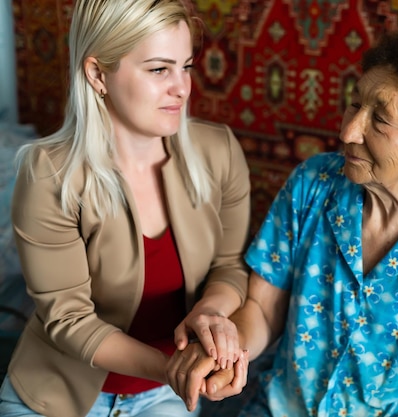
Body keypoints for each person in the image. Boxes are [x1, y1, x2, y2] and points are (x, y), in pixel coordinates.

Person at [170, 29, 398, 416]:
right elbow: (261, 310)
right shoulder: (313, 183)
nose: (347, 132)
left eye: (380, 120)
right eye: (354, 105)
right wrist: (226, 353)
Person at [0, 1, 251, 416]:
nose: (182, 87)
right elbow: (69, 319)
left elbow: (229, 267)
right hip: (57, 394)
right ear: (98, 74)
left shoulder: (218, 151)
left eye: (185, 66)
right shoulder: (47, 174)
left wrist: (211, 314)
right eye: (158, 69)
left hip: (163, 397)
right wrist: (176, 368)